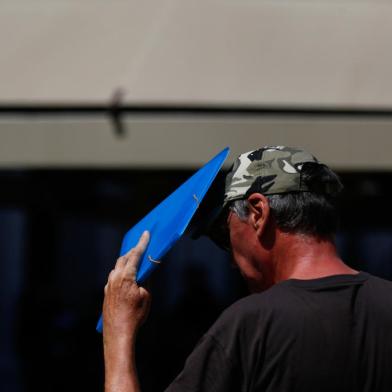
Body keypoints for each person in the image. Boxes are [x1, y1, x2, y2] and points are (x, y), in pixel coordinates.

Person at [102, 146, 392, 392]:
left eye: (224, 234)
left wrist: (118, 333)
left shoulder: (252, 325)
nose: (230, 258)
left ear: (258, 213)